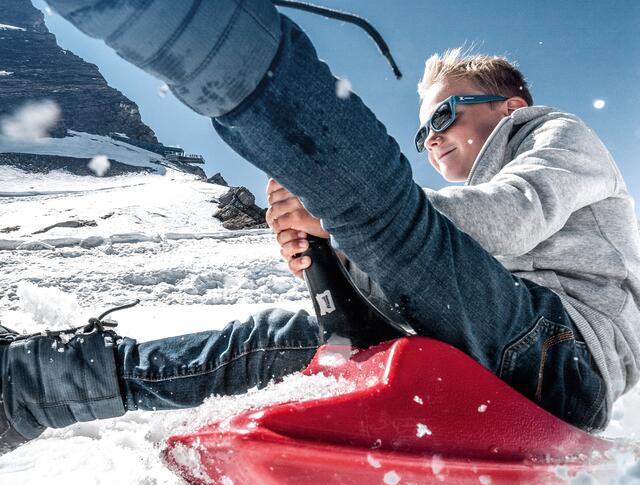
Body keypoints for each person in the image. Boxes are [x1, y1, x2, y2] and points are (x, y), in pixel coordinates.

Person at [2, 0, 639, 456]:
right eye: (423, 131)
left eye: (443, 113)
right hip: (497, 354)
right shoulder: (464, 210)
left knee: (388, 219)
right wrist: (332, 257)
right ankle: (30, 386)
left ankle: (206, 32)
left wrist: (345, 218)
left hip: (565, 360)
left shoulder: (554, 136)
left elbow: (509, 216)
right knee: (277, 337)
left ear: (509, 107)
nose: (432, 137)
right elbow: (436, 270)